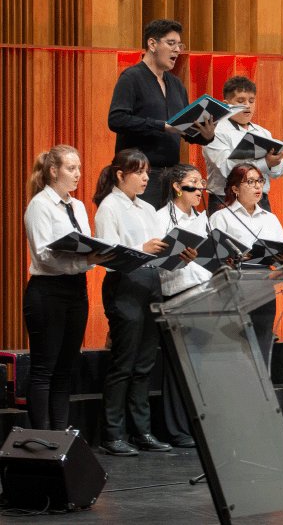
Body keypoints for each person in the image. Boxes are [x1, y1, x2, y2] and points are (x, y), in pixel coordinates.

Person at [22, 146, 111, 431]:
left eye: (79, 168)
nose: (78, 175)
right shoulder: (40, 205)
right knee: (43, 369)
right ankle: (41, 440)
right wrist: (84, 261)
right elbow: (44, 256)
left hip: (76, 290)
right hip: (47, 292)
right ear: (53, 171)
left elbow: (82, 246)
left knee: (65, 370)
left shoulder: (78, 206)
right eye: (71, 169)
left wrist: (91, 257)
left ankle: (59, 435)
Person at [93, 150, 173, 456]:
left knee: (143, 364)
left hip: (151, 282)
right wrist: (143, 248)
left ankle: (142, 431)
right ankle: (112, 433)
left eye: (147, 172)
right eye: (138, 172)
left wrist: (176, 253)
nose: (145, 178)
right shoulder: (109, 207)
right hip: (125, 284)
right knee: (123, 363)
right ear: (120, 174)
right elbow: (108, 256)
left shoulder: (148, 208)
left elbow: (160, 247)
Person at [108, 19, 215, 209]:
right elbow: (117, 120)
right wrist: (162, 126)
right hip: (137, 174)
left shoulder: (176, 85)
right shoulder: (131, 78)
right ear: (152, 44)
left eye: (179, 45)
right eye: (171, 43)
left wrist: (205, 135)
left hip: (171, 176)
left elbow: (183, 128)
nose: (177, 50)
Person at [209, 163, 283, 368]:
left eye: (260, 181)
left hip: (263, 283)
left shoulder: (270, 218)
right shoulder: (221, 216)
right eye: (250, 182)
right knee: (235, 350)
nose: (257, 187)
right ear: (235, 189)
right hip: (233, 284)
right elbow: (213, 257)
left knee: (261, 347)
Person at [154, 164, 210, 448]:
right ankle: (177, 429)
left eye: (202, 183)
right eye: (194, 183)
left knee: (199, 368)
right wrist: (179, 259)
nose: (201, 188)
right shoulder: (161, 218)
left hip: (204, 294)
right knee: (179, 366)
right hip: (176, 293)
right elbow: (155, 264)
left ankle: (199, 426)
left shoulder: (204, 219)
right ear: (177, 186)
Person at [203, 76, 283, 214]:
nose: (248, 105)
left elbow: (281, 170)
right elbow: (227, 169)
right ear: (226, 104)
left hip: (260, 200)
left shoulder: (262, 132)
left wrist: (273, 163)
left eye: (251, 101)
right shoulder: (215, 130)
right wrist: (265, 163)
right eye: (240, 101)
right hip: (226, 200)